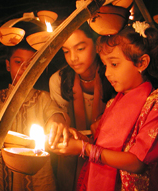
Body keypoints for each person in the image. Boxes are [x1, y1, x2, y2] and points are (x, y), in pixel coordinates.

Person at [50, 21, 158, 191]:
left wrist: (85, 148)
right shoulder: (114, 102)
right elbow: (105, 148)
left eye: (114, 64)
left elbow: (137, 163)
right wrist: (80, 140)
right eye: (105, 65)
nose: (108, 72)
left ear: (141, 63)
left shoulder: (156, 104)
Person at [0, 41, 70, 191]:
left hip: (37, 175)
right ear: (8, 65)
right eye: (18, 62)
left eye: (31, 63)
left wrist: (57, 119)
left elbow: (55, 114)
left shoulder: (43, 98)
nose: (23, 68)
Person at [49, 22, 115, 191]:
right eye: (66, 51)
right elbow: (59, 113)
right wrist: (57, 120)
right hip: (71, 161)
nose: (73, 58)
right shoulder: (58, 80)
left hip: (111, 159)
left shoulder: (114, 76)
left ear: (97, 44)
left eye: (80, 49)